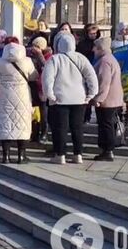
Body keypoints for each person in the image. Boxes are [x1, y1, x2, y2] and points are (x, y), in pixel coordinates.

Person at [42, 32, 98, 165]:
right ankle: (78, 154)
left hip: (60, 99)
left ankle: (60, 154)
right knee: (77, 128)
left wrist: (50, 95)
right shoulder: (81, 58)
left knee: (60, 128)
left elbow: (47, 79)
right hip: (79, 98)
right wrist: (91, 94)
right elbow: (92, 77)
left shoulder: (55, 59)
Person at [0, 38, 38, 164]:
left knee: (5, 124)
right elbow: (34, 76)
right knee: (22, 124)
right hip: (22, 96)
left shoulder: (0, 62)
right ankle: (21, 156)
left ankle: (5, 156)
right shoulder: (27, 61)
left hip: (4, 97)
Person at [90, 38, 124, 161]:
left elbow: (104, 82)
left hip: (107, 100)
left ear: (101, 48)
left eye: (95, 47)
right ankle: (107, 149)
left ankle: (107, 150)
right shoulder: (111, 59)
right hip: (114, 98)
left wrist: (99, 99)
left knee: (106, 125)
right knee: (108, 124)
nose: (93, 49)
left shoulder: (104, 61)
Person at [111, 22, 128, 127]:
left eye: (127, 29)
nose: (124, 31)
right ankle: (118, 114)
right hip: (118, 72)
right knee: (118, 94)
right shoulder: (113, 44)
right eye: (123, 29)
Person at [76, 23, 101, 123]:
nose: (93, 35)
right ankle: (86, 115)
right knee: (86, 93)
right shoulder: (82, 44)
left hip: (97, 69)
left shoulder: (99, 43)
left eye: (95, 33)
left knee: (98, 93)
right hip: (86, 69)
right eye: (91, 33)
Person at [29, 36, 51, 143]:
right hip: (33, 85)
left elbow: (46, 68)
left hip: (42, 87)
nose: (33, 48)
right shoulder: (31, 56)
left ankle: (44, 133)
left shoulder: (48, 56)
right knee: (34, 111)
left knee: (44, 112)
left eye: (36, 46)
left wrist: (40, 55)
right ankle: (35, 132)